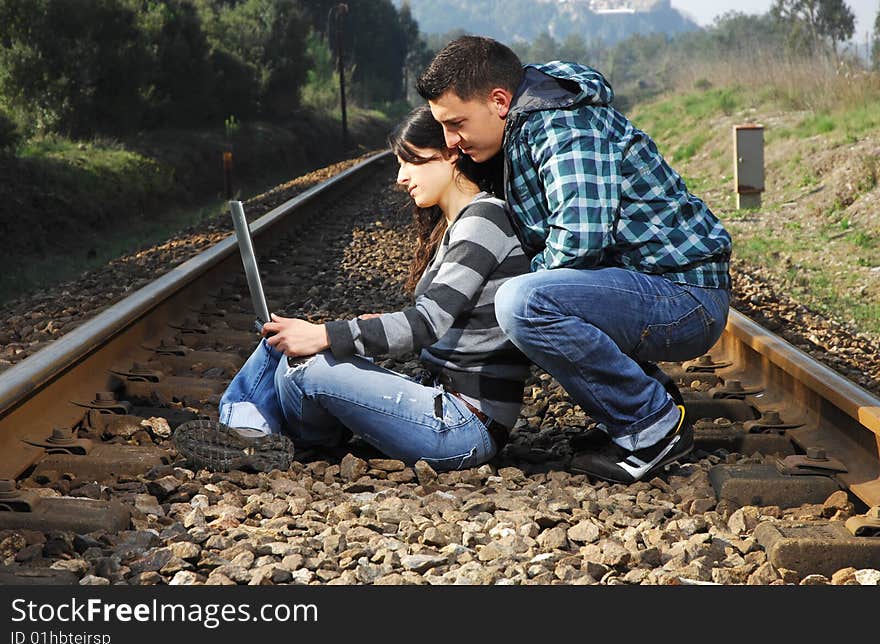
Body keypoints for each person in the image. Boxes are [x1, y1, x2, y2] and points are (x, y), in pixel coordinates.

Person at [417, 36, 732, 484]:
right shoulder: (526, 127)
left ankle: (652, 425)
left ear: (500, 101)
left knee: (524, 304)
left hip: (684, 297)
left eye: (456, 123)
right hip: (649, 288)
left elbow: (580, 240)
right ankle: (647, 400)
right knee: (529, 299)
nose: (451, 141)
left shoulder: (562, 125)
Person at [172, 105, 531, 473]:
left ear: (451, 154)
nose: (401, 177)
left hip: (463, 426)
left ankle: (261, 437)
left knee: (307, 365)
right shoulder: (457, 224)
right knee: (281, 343)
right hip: (442, 407)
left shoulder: (484, 220)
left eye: (410, 161)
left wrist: (328, 334)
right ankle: (247, 438)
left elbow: (426, 324)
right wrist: (338, 333)